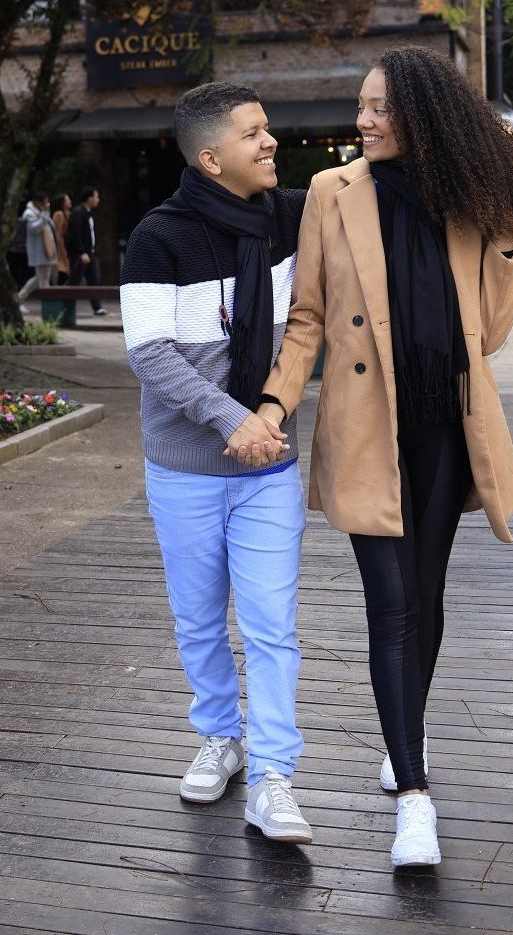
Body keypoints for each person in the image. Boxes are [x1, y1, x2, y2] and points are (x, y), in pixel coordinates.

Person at [230, 46, 513, 868]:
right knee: (391, 604)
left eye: (381, 108)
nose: (364, 120)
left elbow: (489, 333)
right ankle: (414, 796)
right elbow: (307, 317)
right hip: (365, 427)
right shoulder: (332, 193)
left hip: (447, 423)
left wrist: (505, 236)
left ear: (425, 116)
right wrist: (274, 401)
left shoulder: (469, 202)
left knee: (426, 594)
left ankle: (402, 728)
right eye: (362, 105)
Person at [120, 81, 313, 843]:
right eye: (253, 133)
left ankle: (272, 776)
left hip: (268, 467)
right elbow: (150, 354)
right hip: (186, 469)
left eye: (268, 127)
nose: (270, 142)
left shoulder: (291, 218)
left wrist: (264, 420)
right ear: (210, 158)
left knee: (271, 627)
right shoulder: (157, 238)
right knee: (199, 619)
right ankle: (219, 737)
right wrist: (232, 419)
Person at [67, 186, 106, 315]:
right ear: (89, 198)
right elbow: (75, 234)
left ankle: (97, 307)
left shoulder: (88, 212)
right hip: (81, 254)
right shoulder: (78, 212)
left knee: (94, 279)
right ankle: (66, 306)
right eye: (96, 197)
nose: (98, 199)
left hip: (90, 253)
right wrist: (81, 252)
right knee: (75, 280)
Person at [17, 192, 57, 313]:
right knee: (43, 280)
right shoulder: (29, 213)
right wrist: (44, 214)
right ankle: (48, 306)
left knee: (40, 278)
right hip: (38, 251)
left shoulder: (41, 212)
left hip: (46, 251)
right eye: (45, 201)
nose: (47, 204)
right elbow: (34, 229)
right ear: (39, 202)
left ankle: (19, 300)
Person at [51, 193, 72, 286]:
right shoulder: (59, 214)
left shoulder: (67, 214)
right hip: (60, 247)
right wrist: (61, 250)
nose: (70, 201)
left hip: (65, 245)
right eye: (67, 200)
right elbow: (57, 234)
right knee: (62, 271)